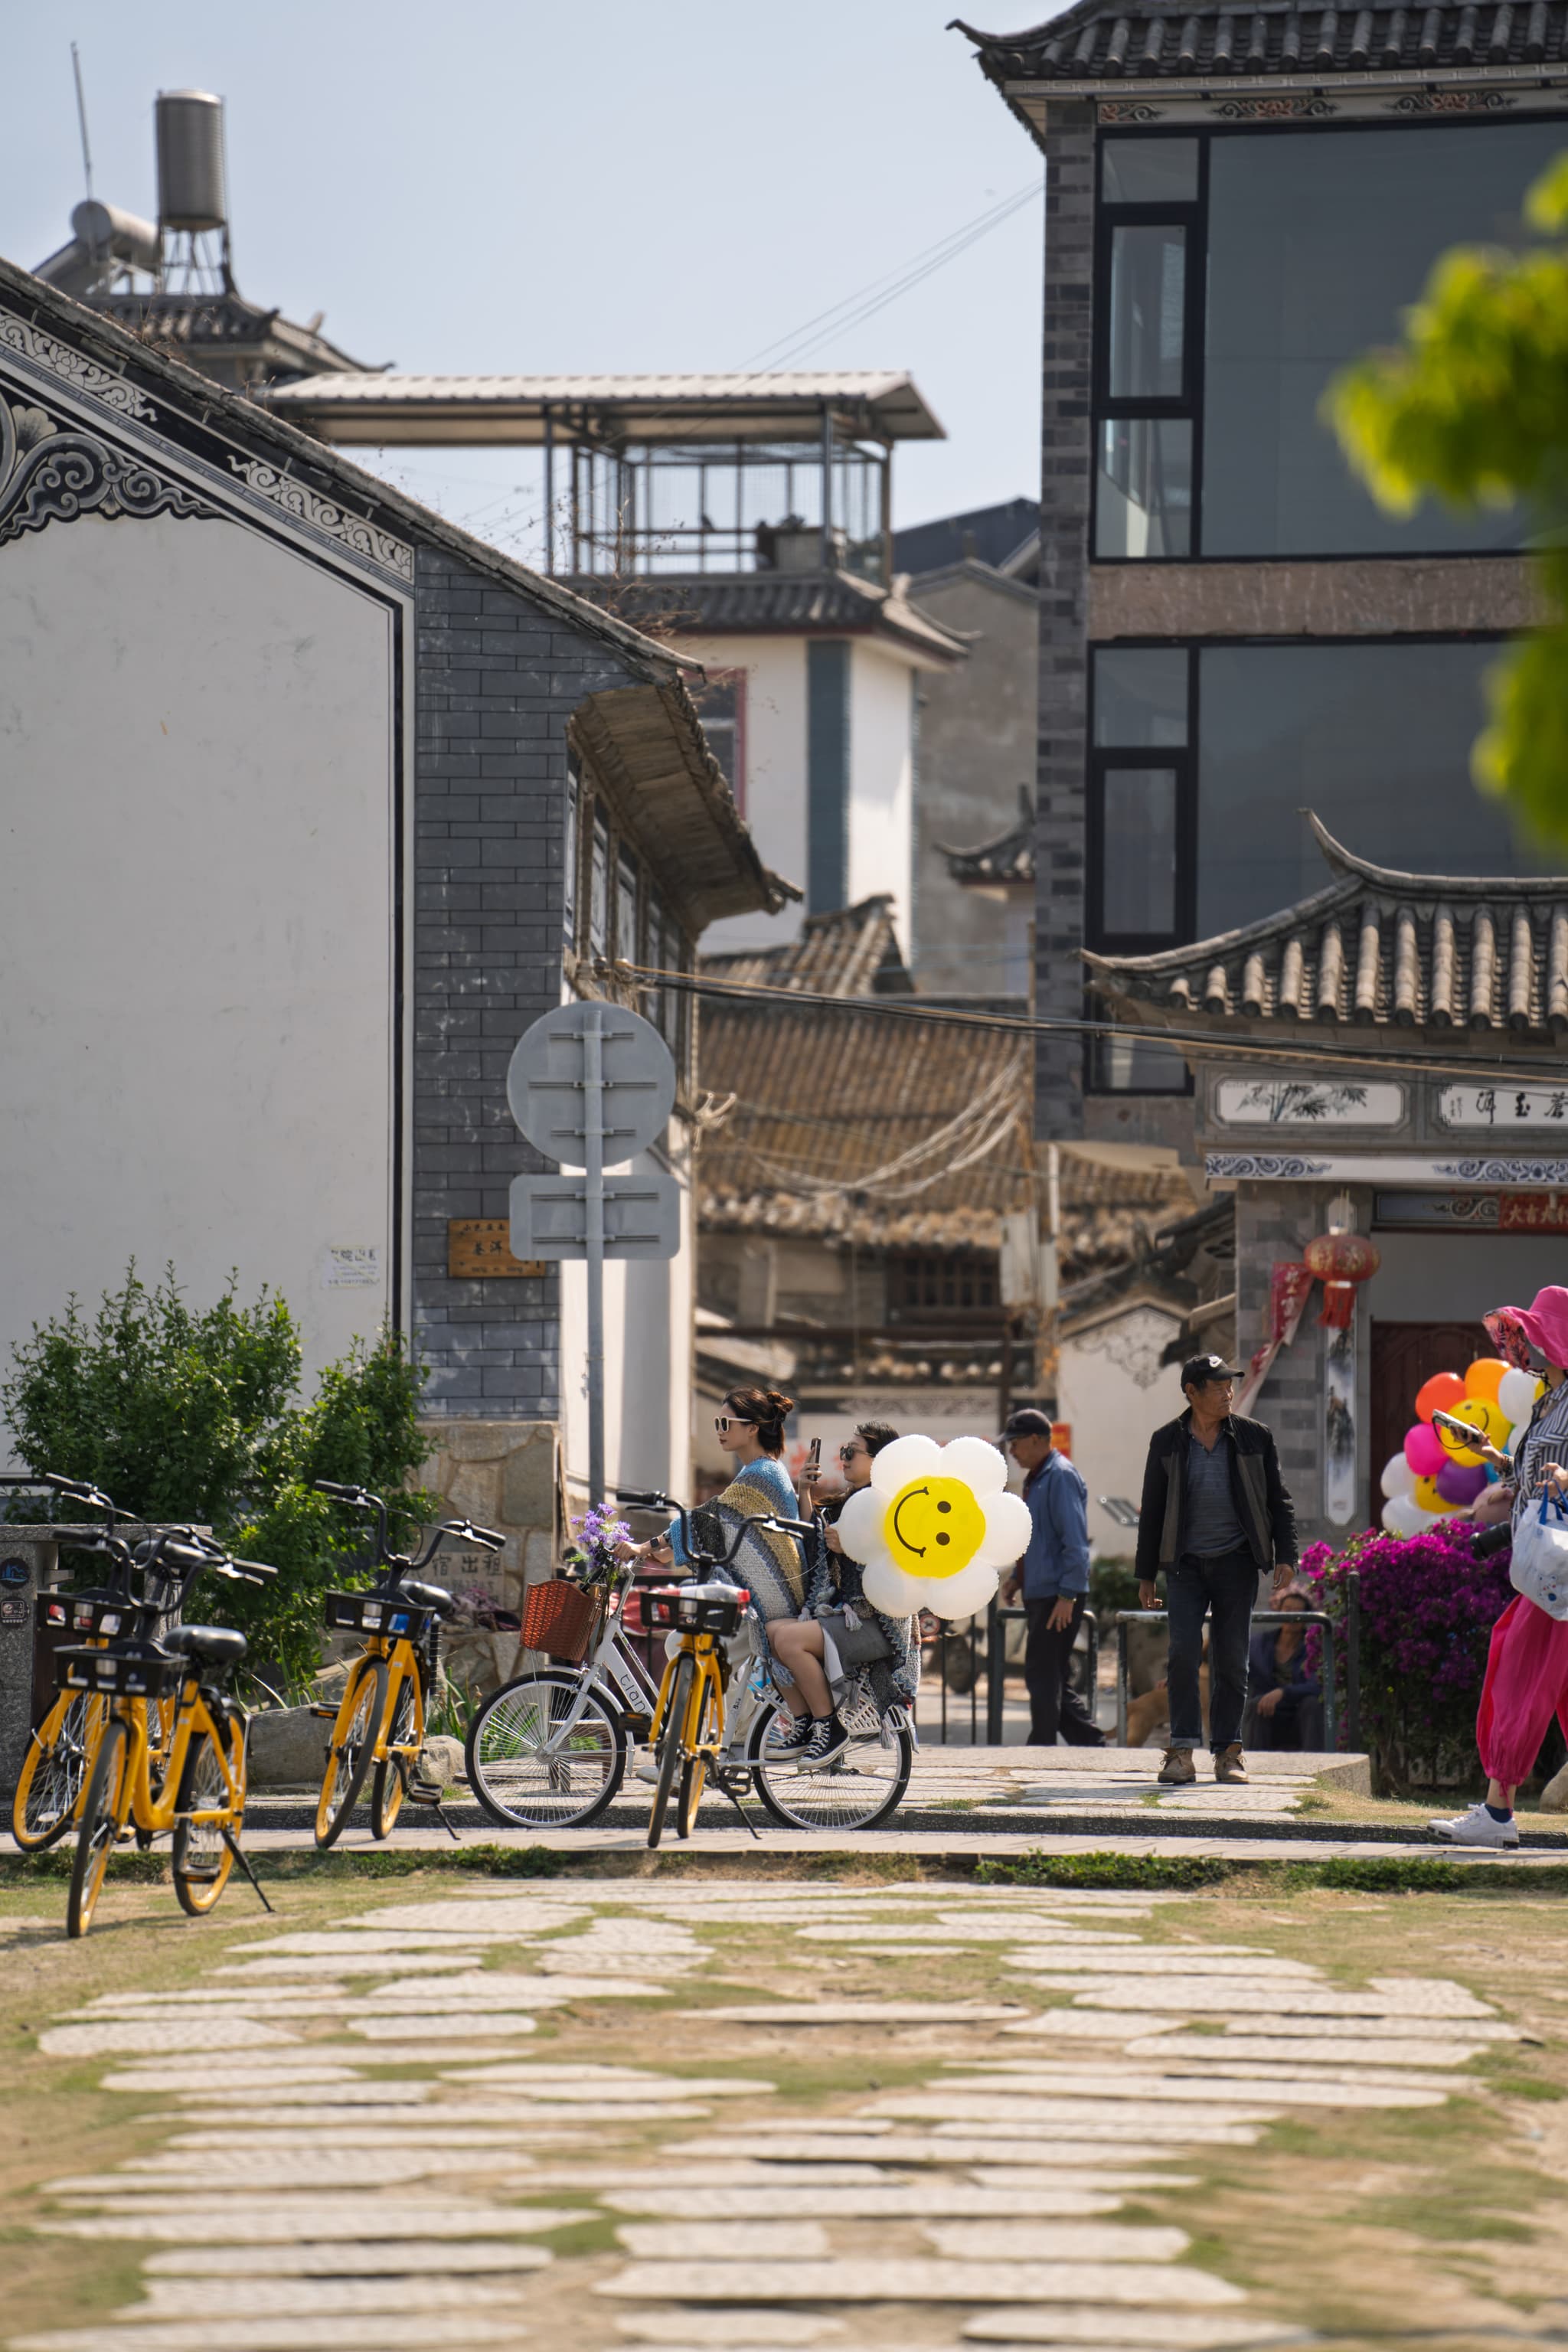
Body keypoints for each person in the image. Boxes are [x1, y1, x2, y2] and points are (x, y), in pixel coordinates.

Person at [1433, 1285, 1568, 1850]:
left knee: (1514, 1670)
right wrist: (1490, 1454)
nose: (1526, 1344)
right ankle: (1499, 1809)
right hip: (1549, 1570)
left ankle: (1498, 1809)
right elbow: (1533, 1475)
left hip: (1558, 1573)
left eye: (1537, 1333)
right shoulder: (1547, 1402)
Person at [1135, 1354, 1298, 1788]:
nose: (1228, 1392)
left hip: (1237, 1562)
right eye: (1217, 1386)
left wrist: (1286, 1555)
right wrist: (1146, 1574)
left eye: (1230, 1385)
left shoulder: (1254, 1437)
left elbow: (1277, 1500)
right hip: (1185, 1566)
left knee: (1231, 1659)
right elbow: (1152, 1511)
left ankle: (1229, 1753)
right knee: (1183, 1652)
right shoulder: (1167, 1440)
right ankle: (1182, 1753)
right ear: (1191, 1392)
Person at [772, 1421, 919, 1768]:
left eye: (852, 1452)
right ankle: (807, 1723)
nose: (845, 1458)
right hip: (847, 1617)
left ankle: (829, 1727)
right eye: (844, 1451)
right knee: (771, 1631)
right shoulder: (848, 1504)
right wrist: (805, 1493)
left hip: (879, 1624)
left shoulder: (896, 1508)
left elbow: (896, 1569)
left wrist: (853, 1547)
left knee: (790, 1641)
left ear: (879, 1460)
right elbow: (815, 1545)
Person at [998, 1407, 1103, 1748]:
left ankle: (1040, 1748)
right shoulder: (1038, 1477)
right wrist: (1018, 1576)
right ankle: (1091, 1744)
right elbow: (1036, 1537)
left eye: (1015, 1443)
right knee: (1052, 1676)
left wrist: (1069, 1597)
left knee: (1042, 1675)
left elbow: (1075, 1542)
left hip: (1059, 1596)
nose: (1011, 1451)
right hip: (1043, 1592)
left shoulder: (1059, 1476)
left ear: (1035, 1439)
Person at [1246, 1583, 1323, 1752]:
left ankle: (1314, 1762)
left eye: (1298, 1612)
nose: (1292, 1617)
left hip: (1298, 1711)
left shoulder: (1313, 1648)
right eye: (1287, 1609)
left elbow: (1316, 1686)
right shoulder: (1260, 1644)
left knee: (1312, 1704)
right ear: (1279, 1611)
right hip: (1270, 1712)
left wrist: (1284, 1693)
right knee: (1256, 1703)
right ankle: (1255, 1763)